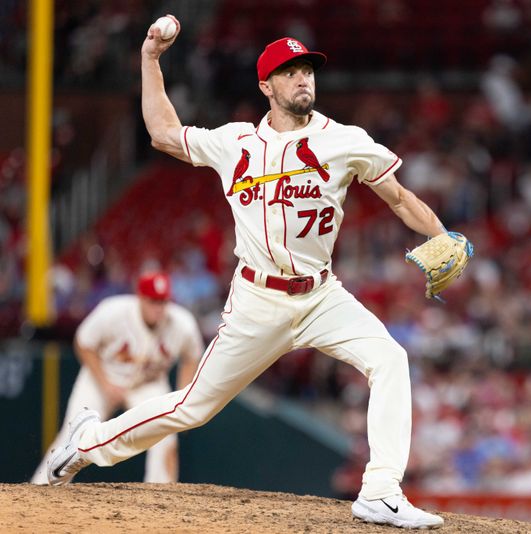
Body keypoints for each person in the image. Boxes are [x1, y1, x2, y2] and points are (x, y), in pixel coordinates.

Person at [46, 15, 463, 530]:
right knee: (193, 408)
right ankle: (87, 441)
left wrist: (440, 233)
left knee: (390, 360)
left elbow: (398, 197)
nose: (303, 78)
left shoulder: (346, 140)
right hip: (258, 300)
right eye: (289, 72)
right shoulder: (236, 143)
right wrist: (150, 59)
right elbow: (163, 134)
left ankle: (380, 490)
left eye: (307, 69)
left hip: (321, 296)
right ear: (266, 86)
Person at [32, 271, 202, 484]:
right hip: (101, 378)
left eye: (162, 301)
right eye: (152, 301)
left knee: (165, 435)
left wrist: (182, 394)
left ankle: (161, 501)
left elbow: (191, 356)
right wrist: (105, 384)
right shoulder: (113, 311)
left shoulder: (182, 323)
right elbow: (83, 343)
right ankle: (40, 489)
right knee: (72, 435)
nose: (158, 308)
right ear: (140, 297)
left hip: (146, 384)